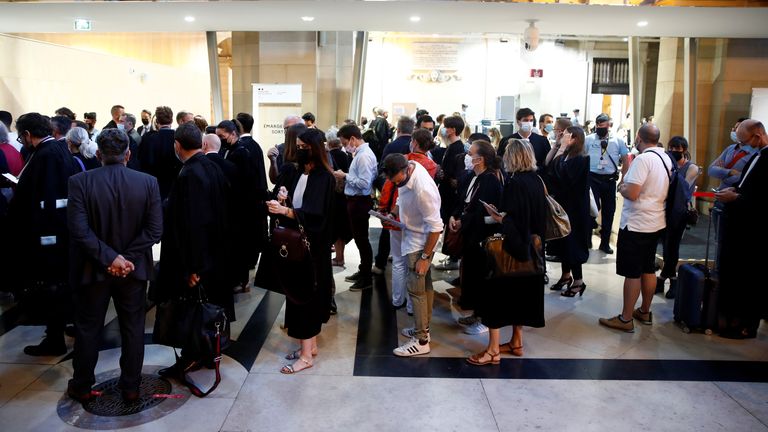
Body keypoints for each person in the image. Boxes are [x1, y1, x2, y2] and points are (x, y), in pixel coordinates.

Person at [65, 128, 162, 404]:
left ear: (98, 154)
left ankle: (82, 385)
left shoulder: (79, 181)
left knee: (88, 328)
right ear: (128, 155)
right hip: (132, 271)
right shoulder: (148, 182)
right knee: (133, 328)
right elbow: (155, 230)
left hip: (93, 268)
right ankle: (130, 387)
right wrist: (125, 259)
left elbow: (79, 230)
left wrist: (112, 258)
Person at [157, 123, 233, 378]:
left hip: (198, 258)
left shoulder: (189, 174)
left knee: (193, 309)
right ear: (201, 144)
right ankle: (209, 351)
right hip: (216, 253)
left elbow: (194, 224)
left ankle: (192, 357)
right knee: (208, 306)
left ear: (177, 146)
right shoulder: (213, 167)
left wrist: (193, 267)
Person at [6, 112, 80, 356]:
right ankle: (66, 327)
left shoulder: (46, 154)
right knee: (60, 285)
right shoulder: (58, 149)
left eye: (21, 135)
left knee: (52, 287)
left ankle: (54, 337)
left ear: (27, 134)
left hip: (49, 235)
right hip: (59, 233)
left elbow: (47, 199)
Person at [467, 139, 547, 365]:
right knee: (520, 300)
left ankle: (492, 350)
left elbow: (514, 219)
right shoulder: (537, 180)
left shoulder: (515, 183)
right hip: (533, 252)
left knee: (496, 298)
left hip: (512, 250)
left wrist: (499, 217)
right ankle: (516, 341)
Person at [266, 128, 335, 373]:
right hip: (298, 246)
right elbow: (299, 204)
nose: (298, 150)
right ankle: (310, 346)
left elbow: (315, 215)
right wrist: (283, 199)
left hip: (312, 249)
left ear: (312, 148)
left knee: (305, 298)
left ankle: (306, 356)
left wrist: (285, 212)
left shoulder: (324, 177)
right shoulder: (300, 171)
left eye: (302, 146)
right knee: (297, 295)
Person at [599, 124, 670, 333]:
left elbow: (632, 192)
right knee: (648, 268)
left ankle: (625, 318)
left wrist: (622, 186)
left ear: (639, 138)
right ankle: (645, 311)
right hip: (656, 221)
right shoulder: (665, 158)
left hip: (637, 223)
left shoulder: (643, 159)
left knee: (632, 272)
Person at [382, 154, 443, 357]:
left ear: (405, 170)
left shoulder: (422, 189)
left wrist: (425, 258)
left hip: (421, 242)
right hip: (413, 235)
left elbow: (436, 227)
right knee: (424, 287)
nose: (395, 183)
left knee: (416, 290)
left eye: (396, 179)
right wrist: (393, 212)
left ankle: (421, 340)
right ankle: (422, 328)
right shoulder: (410, 167)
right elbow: (401, 196)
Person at [715, 119, 768, 339]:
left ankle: (746, 324)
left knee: (750, 279)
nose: (743, 146)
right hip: (738, 225)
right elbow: (746, 185)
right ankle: (732, 319)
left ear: (757, 136)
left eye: (745, 141)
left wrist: (736, 197)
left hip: (755, 231)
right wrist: (734, 191)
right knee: (735, 275)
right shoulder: (756, 156)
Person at [451, 140, 503, 335]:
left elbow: (487, 212)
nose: (467, 155)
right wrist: (454, 217)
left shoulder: (490, 180)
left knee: (482, 277)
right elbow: (462, 200)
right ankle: (475, 312)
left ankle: (484, 318)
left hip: (482, 236)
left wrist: (464, 220)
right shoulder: (472, 176)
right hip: (469, 233)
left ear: (479, 159)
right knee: (471, 274)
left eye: (470, 153)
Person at [544, 127, 591, 297]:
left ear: (574, 138)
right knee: (563, 242)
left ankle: (578, 281)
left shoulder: (581, 158)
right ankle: (566, 276)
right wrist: (558, 146)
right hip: (563, 206)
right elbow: (549, 165)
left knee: (573, 244)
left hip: (575, 209)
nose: (561, 137)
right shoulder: (566, 155)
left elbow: (565, 178)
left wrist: (562, 148)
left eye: (564, 135)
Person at [335, 124, 378, 291]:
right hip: (356, 201)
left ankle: (366, 277)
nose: (345, 146)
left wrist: (345, 176)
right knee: (360, 239)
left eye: (345, 142)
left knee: (362, 240)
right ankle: (363, 271)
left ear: (352, 139)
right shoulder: (361, 154)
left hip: (360, 201)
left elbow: (364, 183)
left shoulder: (364, 156)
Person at [656, 136, 700, 299]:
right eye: (671, 148)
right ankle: (665, 278)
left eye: (678, 148)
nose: (674, 151)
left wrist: (672, 168)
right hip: (663, 209)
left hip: (679, 212)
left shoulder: (691, 167)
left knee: (672, 246)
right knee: (665, 246)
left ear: (684, 150)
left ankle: (668, 280)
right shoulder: (667, 163)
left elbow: (683, 187)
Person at [708, 117, 754, 261]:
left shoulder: (754, 154)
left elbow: (745, 179)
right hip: (720, 200)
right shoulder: (730, 149)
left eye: (738, 128)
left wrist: (727, 174)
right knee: (718, 239)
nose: (734, 131)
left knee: (731, 241)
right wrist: (728, 172)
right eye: (734, 128)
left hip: (738, 202)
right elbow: (711, 169)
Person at [375, 116, 416, 275]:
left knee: (388, 227)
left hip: (392, 193)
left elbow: (382, 171)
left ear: (398, 129)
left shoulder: (391, 146)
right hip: (410, 195)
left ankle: (380, 263)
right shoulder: (412, 148)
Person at [585, 113, 629, 254]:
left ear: (609, 125)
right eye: (598, 125)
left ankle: (605, 243)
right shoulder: (589, 139)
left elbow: (625, 159)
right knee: (591, 209)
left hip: (609, 180)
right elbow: (582, 157)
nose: (600, 127)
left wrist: (623, 179)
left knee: (609, 211)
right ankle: (587, 239)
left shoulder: (618, 141)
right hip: (592, 178)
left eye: (603, 125)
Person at [434, 115, 466, 271]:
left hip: (451, 193)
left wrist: (444, 175)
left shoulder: (458, 148)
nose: (443, 130)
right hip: (446, 191)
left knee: (450, 222)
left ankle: (454, 256)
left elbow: (455, 176)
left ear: (452, 130)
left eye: (445, 127)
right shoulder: (451, 147)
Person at [138, 106, 181, 200]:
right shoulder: (179, 137)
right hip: (175, 186)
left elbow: (142, 162)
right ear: (172, 120)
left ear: (156, 120)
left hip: (153, 186)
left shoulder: (148, 138)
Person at [327, 128, 353, 269]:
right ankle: (340, 256)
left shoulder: (329, 156)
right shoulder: (346, 155)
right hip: (345, 195)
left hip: (333, 197)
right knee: (342, 229)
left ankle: (338, 258)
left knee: (336, 229)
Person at [267, 116, 304, 184]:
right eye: (285, 129)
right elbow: (274, 180)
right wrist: (273, 161)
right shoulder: (280, 148)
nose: (287, 132)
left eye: (290, 128)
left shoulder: (308, 148)